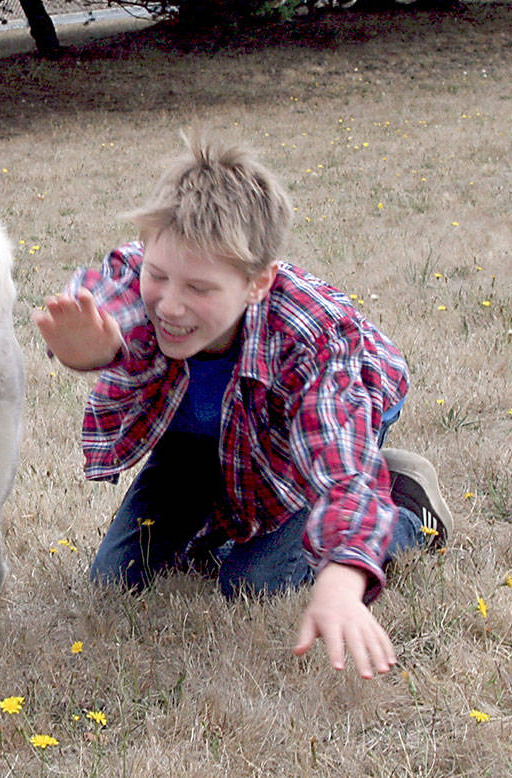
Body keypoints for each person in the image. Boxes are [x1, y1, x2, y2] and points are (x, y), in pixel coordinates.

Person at [32, 133, 452, 679]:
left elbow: (341, 472)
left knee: (251, 584)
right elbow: (109, 311)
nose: (171, 304)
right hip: (203, 434)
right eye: (158, 275)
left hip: (305, 429)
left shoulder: (313, 339)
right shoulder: (135, 279)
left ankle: (406, 506)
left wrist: (342, 579)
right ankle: (233, 499)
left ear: (259, 282)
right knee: (116, 579)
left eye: (200, 289)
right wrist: (91, 349)